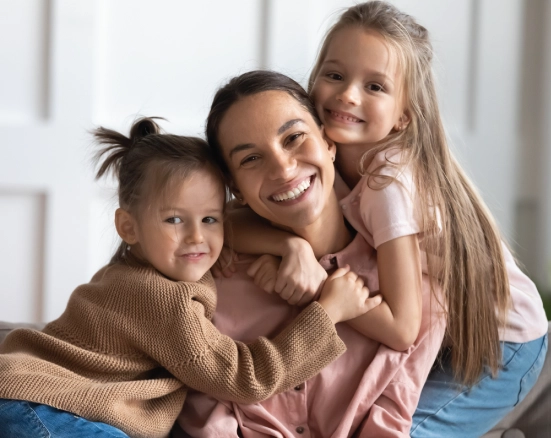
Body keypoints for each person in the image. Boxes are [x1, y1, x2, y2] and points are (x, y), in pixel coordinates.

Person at [0, 118, 380, 438]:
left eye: (210, 219)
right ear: (127, 227)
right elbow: (243, 378)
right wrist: (328, 312)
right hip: (38, 405)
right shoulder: (161, 298)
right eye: (175, 220)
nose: (198, 237)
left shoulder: (139, 270)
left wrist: (285, 247)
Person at [304, 1, 548, 436]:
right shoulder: (331, 156)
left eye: (375, 86)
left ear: (404, 116)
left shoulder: (388, 185)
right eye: (335, 75)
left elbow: (401, 326)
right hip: (440, 336)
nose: (348, 94)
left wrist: (319, 289)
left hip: (503, 344)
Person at [176, 70, 447, 437]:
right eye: (251, 159)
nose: (283, 168)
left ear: (328, 142)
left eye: (294, 138)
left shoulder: (414, 296)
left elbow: (393, 415)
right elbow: (205, 412)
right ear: (234, 188)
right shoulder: (210, 278)